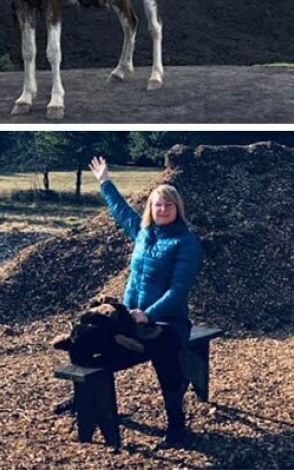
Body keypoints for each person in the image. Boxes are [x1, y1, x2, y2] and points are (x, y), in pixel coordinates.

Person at [89, 156, 202, 449]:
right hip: (132, 317)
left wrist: (147, 315)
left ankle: (176, 423)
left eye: (168, 205)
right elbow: (121, 211)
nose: (162, 209)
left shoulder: (186, 242)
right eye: (157, 204)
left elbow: (178, 291)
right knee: (86, 336)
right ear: (150, 208)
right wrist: (104, 181)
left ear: (178, 209)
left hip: (168, 322)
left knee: (165, 351)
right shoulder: (143, 233)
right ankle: (85, 396)